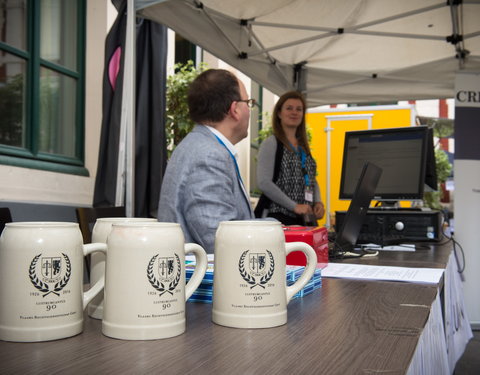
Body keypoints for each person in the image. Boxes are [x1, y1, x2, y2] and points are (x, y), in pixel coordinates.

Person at [158, 69, 255, 253]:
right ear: (235, 109)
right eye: (248, 103)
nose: (249, 111)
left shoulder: (200, 145)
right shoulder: (209, 155)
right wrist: (278, 229)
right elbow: (221, 241)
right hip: (203, 280)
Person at [255, 91, 324, 225]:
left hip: (305, 219)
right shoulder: (271, 143)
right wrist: (294, 206)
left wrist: (318, 201)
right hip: (279, 219)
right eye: (289, 108)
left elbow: (311, 179)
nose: (294, 112)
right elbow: (264, 182)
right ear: (279, 113)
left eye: (299, 109)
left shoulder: (303, 147)